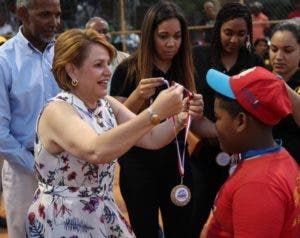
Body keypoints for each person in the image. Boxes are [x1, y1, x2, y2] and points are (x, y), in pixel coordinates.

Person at [25, 28, 203, 237]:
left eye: (108, 63)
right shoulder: (57, 110)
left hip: (101, 213)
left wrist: (180, 117)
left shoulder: (105, 104)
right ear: (72, 70)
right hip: (63, 219)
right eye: (98, 65)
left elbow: (151, 138)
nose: (108, 71)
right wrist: (154, 112)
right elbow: (95, 150)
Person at [110, 1, 206, 237]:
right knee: (145, 230)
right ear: (149, 35)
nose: (171, 43)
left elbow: (196, 120)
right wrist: (137, 97)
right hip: (138, 166)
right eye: (163, 36)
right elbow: (113, 121)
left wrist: (198, 110)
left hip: (177, 165)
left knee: (182, 229)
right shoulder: (128, 69)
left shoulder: (186, 68)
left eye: (177, 36)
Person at [200, 66, 300, 238]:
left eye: (217, 118)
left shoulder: (258, 187)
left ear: (240, 121)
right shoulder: (277, 156)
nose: (215, 126)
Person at [192, 2, 264, 236]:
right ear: (218, 29)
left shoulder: (253, 62)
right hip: (205, 147)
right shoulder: (199, 57)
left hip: (241, 153)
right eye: (228, 32)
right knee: (200, 210)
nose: (234, 39)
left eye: (241, 34)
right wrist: (212, 131)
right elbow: (190, 99)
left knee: (239, 211)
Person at [0, 0, 61, 237]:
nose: (54, 23)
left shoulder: (65, 55)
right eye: (45, 15)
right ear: (23, 13)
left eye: (58, 14)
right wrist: (35, 165)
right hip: (23, 172)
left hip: (68, 167)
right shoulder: (4, 60)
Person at [269, 19, 300, 162]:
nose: (279, 57)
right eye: (274, 49)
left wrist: (280, 83)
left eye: (287, 50)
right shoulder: (261, 78)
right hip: (267, 162)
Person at [86, 16, 129, 93]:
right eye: (97, 32)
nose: (103, 35)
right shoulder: (83, 62)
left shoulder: (126, 59)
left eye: (105, 31)